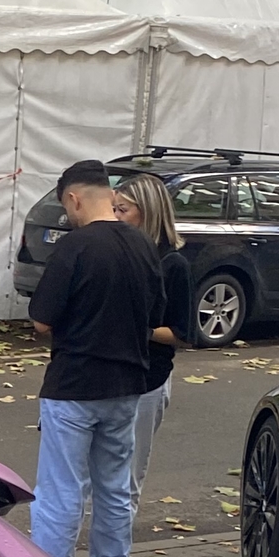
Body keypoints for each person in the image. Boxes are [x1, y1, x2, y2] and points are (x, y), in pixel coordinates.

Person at [26, 160, 163, 557]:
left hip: (74, 385)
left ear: (74, 198)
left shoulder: (75, 247)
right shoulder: (144, 247)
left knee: (61, 489)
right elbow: (156, 317)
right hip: (127, 385)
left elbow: (42, 319)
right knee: (114, 488)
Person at [114, 172, 188, 498]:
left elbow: (181, 333)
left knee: (128, 476)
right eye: (113, 208)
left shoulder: (172, 264)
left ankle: (117, 548)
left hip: (148, 380)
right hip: (109, 375)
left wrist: (140, 331)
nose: (115, 216)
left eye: (123, 209)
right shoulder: (116, 254)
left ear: (148, 211)